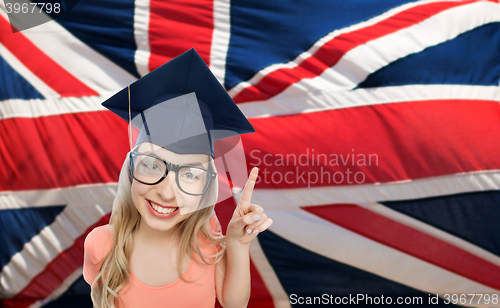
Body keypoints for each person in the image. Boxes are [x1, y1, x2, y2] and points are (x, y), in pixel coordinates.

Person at [83, 48, 273, 308]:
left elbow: (234, 304)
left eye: (191, 174)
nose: (167, 193)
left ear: (206, 187)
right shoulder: (101, 244)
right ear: (130, 171)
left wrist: (237, 244)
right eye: (151, 166)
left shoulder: (207, 241)